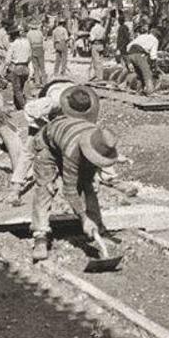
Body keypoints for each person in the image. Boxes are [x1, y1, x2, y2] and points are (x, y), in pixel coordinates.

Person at [29, 105, 123, 263]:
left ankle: (98, 229)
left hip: (66, 138)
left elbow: (85, 182)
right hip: (47, 144)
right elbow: (69, 190)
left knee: (88, 184)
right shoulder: (73, 151)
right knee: (45, 187)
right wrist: (83, 217)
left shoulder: (99, 140)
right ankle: (40, 236)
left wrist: (89, 217)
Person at [125, 28, 160, 95]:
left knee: (139, 73)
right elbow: (153, 55)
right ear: (156, 35)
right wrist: (155, 66)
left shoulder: (142, 36)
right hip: (139, 54)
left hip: (129, 54)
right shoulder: (155, 40)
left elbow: (128, 46)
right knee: (147, 73)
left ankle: (139, 90)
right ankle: (150, 91)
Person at [5, 23, 32, 110]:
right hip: (26, 67)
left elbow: (7, 60)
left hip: (17, 68)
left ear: (12, 35)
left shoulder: (13, 45)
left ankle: (24, 107)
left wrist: (5, 68)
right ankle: (18, 105)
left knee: (17, 89)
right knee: (21, 88)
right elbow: (29, 56)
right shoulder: (27, 42)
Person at [26, 19, 47, 85]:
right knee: (42, 67)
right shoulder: (40, 32)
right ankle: (44, 81)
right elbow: (43, 41)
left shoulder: (29, 33)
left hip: (33, 48)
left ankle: (37, 81)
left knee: (35, 67)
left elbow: (28, 43)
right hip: (40, 48)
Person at [88, 17, 106, 81]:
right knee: (101, 62)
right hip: (101, 45)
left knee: (96, 61)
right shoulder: (103, 29)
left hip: (95, 45)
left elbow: (92, 38)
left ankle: (97, 76)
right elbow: (104, 38)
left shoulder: (93, 29)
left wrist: (89, 39)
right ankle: (101, 76)